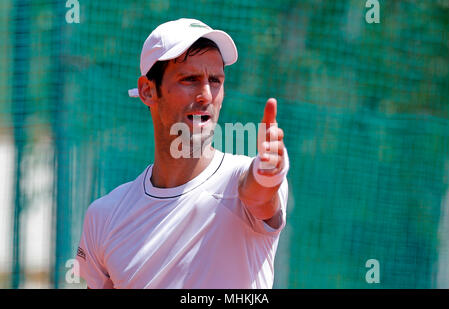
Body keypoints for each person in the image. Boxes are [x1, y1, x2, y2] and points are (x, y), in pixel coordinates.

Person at [75, 18, 290, 289]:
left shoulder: (244, 178)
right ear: (147, 90)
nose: (206, 95)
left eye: (215, 80)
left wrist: (269, 174)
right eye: (190, 79)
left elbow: (258, 194)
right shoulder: (104, 216)